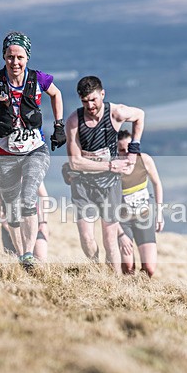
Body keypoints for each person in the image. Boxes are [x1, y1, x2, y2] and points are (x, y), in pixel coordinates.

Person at [0, 31, 65, 271]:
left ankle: (29, 255)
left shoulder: (38, 79)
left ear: (27, 57)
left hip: (35, 149)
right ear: (4, 57)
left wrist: (59, 125)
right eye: (10, 57)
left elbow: (56, 94)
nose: (15, 62)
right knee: (12, 209)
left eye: (20, 57)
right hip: (4, 155)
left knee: (28, 198)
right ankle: (23, 256)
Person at [64, 75, 145, 274]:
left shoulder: (116, 112)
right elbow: (75, 161)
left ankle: (114, 281)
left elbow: (140, 115)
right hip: (82, 183)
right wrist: (110, 165)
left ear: (102, 94)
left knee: (110, 240)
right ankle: (95, 273)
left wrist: (133, 152)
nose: (90, 105)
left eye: (93, 99)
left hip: (109, 185)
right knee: (87, 238)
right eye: (85, 101)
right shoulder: (74, 121)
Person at [115, 130, 164, 276]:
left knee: (149, 268)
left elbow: (157, 184)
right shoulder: (112, 169)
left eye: (130, 149)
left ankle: (142, 291)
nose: (126, 154)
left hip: (144, 218)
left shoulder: (145, 160)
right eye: (121, 150)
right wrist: (120, 233)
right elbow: (105, 204)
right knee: (128, 268)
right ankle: (129, 294)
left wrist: (159, 213)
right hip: (122, 222)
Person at [0, 179, 50, 262]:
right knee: (16, 261)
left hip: (34, 223)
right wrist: (5, 223)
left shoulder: (33, 171)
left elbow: (44, 197)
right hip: (9, 225)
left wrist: (43, 222)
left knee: (40, 257)